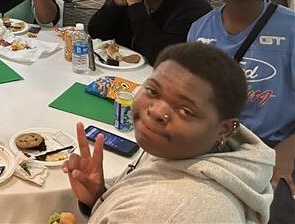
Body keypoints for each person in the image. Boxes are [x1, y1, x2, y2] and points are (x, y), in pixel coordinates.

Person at [64, 42, 274, 223]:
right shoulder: (177, 149)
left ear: (224, 129)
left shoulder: (161, 212)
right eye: (153, 91)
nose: (157, 112)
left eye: (185, 111)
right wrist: (99, 198)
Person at [187, 0, 295, 209]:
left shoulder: (291, 29)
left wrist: (287, 152)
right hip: (213, 146)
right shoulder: (200, 29)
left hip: (273, 148)